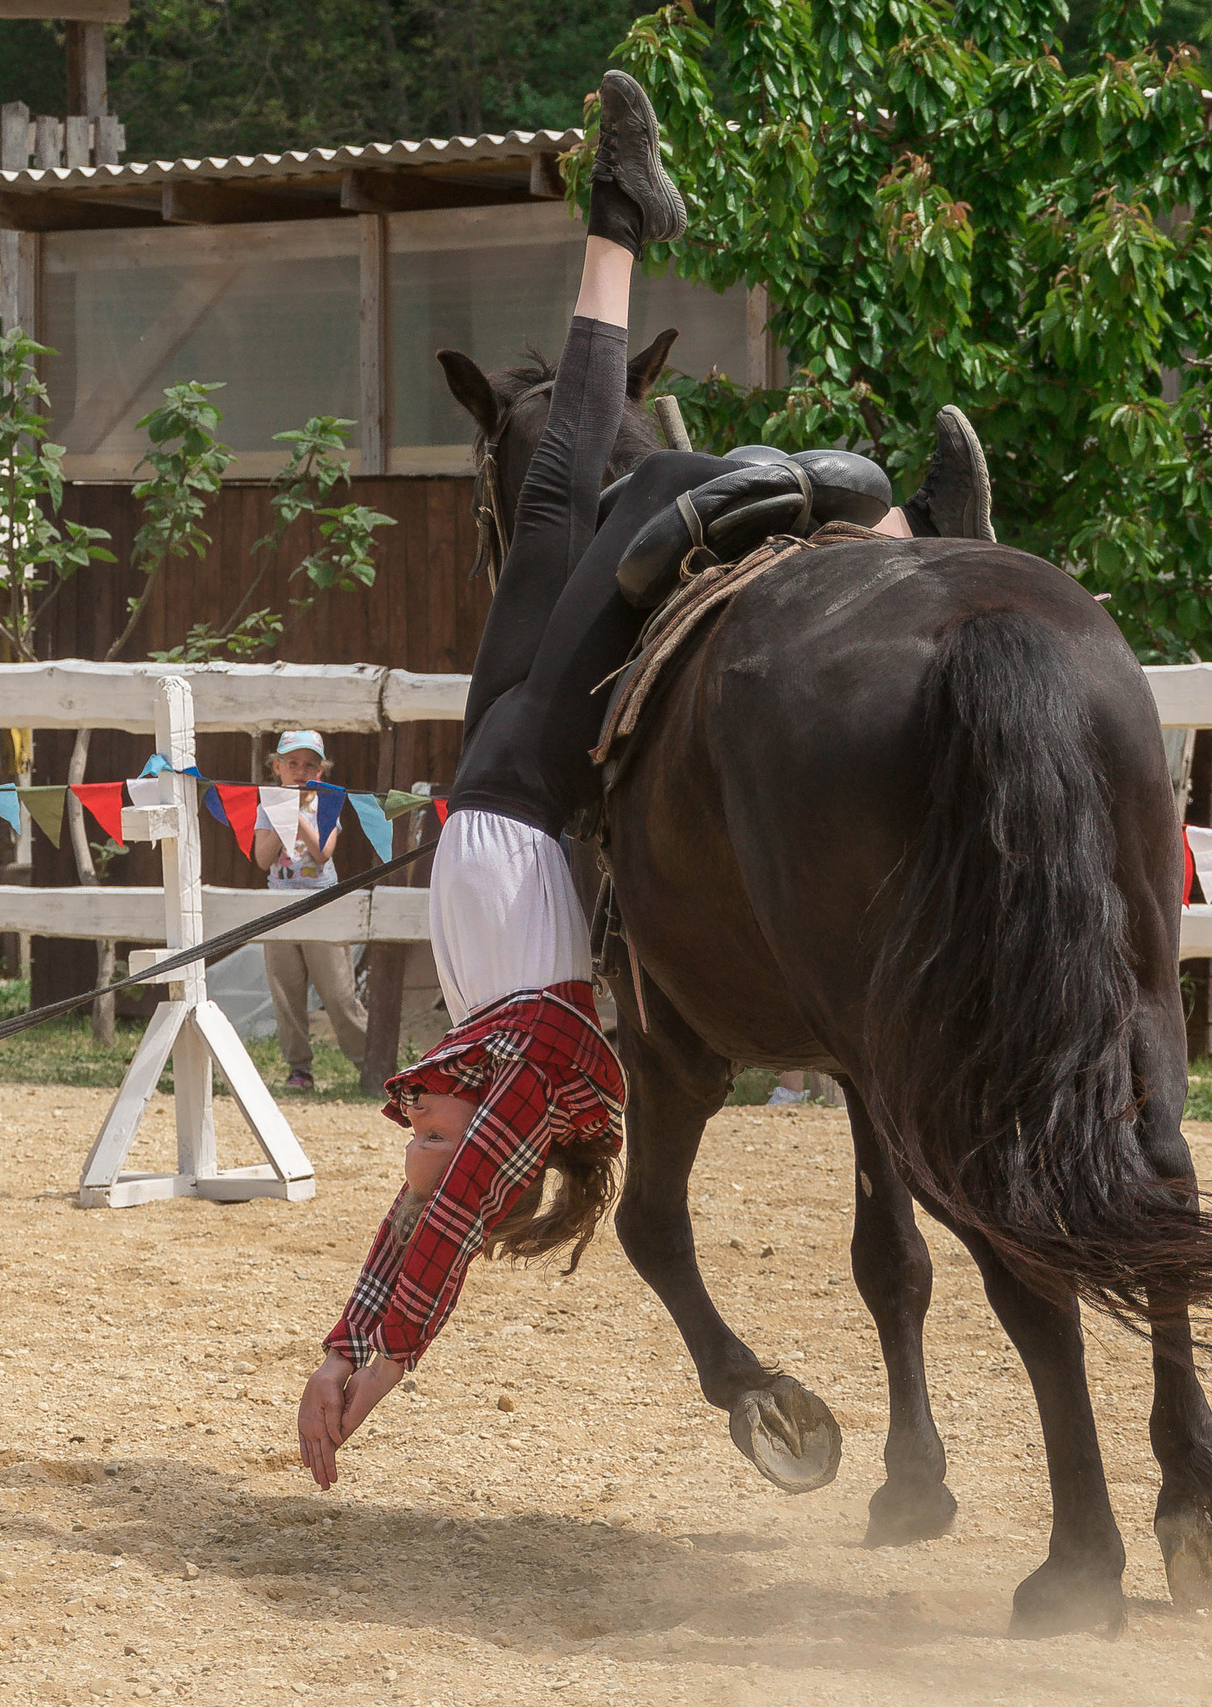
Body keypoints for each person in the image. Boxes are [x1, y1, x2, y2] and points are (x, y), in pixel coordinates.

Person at [297, 68, 995, 1489]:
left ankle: (643, 227)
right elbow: (451, 1211)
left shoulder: (484, 1057)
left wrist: (342, 1334)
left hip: (486, 785)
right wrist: (383, 1366)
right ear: (521, 1137)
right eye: (442, 1136)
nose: (416, 1133)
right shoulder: (542, 1057)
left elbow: (414, 1219)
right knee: (599, 493)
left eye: (420, 1131)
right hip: (524, 783)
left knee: (571, 493)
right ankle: (905, 514)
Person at [251, 731, 371, 1091]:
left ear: (321, 771)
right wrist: (280, 815)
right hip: (280, 907)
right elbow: (262, 859)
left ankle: (371, 1064)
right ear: (277, 768)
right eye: (292, 763)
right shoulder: (266, 806)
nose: (300, 771)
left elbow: (322, 852)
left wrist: (299, 814)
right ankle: (298, 1069)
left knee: (338, 993)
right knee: (286, 992)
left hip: (321, 903)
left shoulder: (328, 803)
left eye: (309, 765)